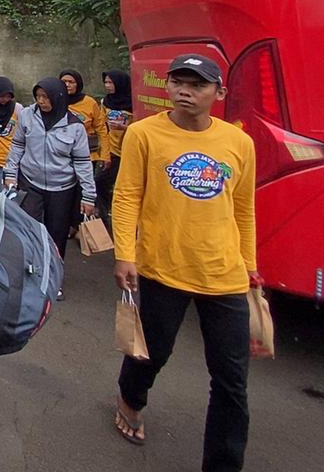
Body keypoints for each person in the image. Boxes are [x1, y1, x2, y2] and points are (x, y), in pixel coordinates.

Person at [111, 55, 257, 472]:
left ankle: (223, 464)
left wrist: (249, 265)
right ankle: (130, 398)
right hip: (162, 269)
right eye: (178, 82)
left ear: (219, 93)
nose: (184, 91)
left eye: (197, 84)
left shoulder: (238, 142)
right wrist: (125, 254)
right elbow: (126, 197)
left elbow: (244, 208)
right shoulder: (144, 134)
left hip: (224, 275)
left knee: (231, 382)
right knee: (151, 355)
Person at [4, 77, 96, 271]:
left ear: (59, 97)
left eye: (46, 97)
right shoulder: (27, 116)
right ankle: (32, 270)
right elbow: (18, 145)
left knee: (57, 233)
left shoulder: (74, 126)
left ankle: (54, 273)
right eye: (38, 96)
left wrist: (89, 196)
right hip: (30, 182)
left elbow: (83, 163)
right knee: (30, 228)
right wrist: (10, 173)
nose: (41, 101)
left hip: (61, 188)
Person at [97, 69, 133, 229]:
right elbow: (101, 123)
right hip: (111, 150)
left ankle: (122, 217)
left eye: (111, 82)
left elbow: (140, 126)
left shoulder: (133, 102)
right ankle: (105, 220)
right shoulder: (106, 102)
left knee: (124, 187)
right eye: (106, 82)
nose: (108, 86)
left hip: (128, 150)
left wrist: (125, 127)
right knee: (99, 182)